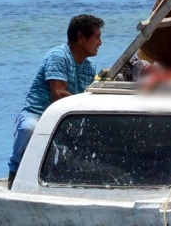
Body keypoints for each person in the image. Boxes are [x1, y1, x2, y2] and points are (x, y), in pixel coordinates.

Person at [8, 14, 104, 182]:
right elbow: (58, 94)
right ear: (81, 37)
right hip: (38, 114)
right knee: (29, 128)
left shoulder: (90, 67)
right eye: (97, 37)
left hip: (65, 119)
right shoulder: (58, 56)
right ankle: (15, 173)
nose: (100, 43)